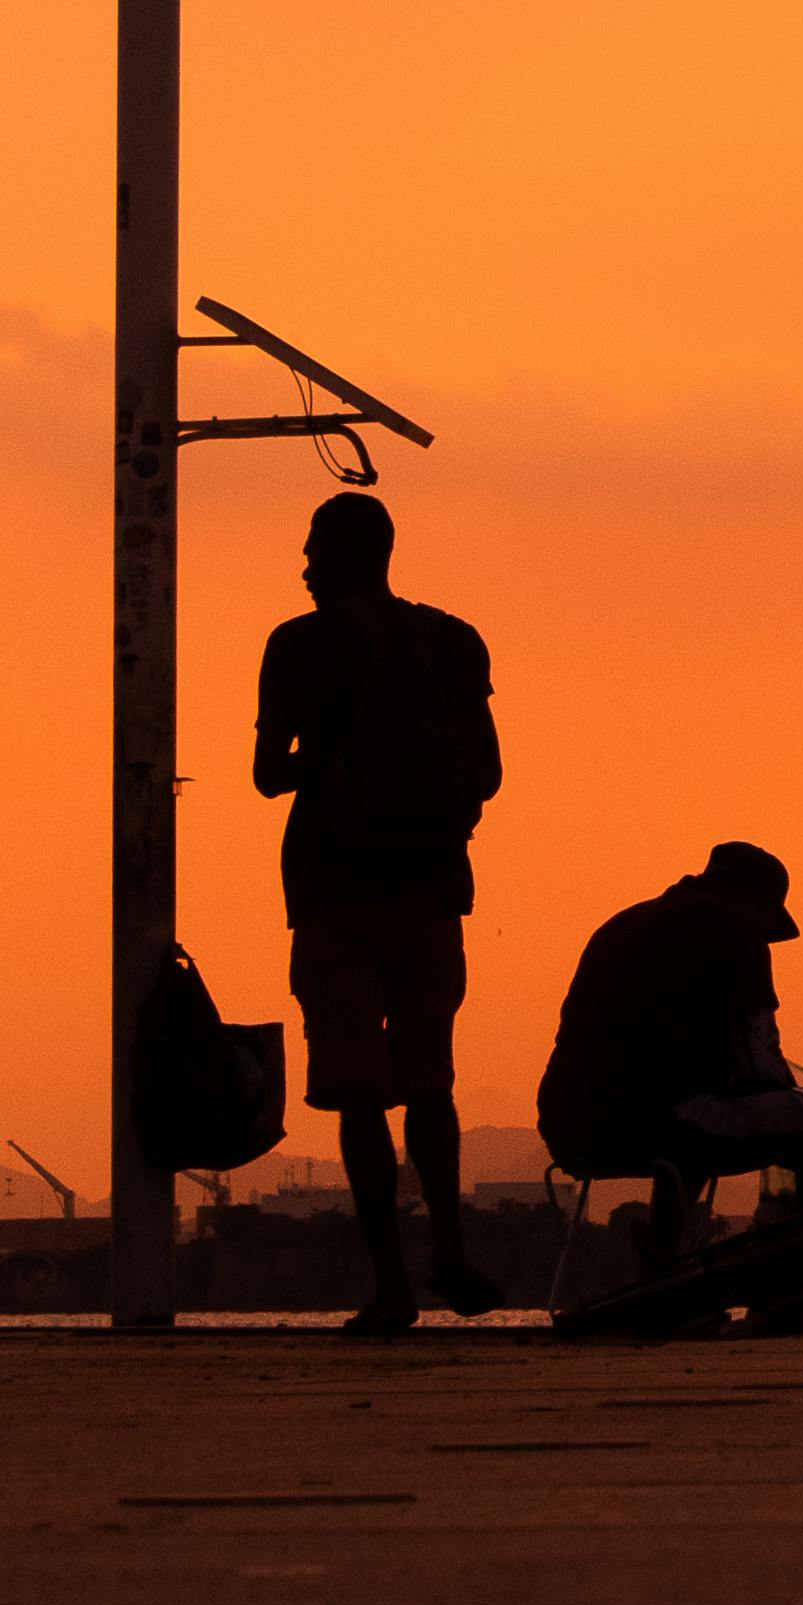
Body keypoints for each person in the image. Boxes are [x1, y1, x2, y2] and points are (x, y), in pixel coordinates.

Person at [252, 488, 504, 1336]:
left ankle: (392, 1286)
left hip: (334, 891)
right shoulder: (451, 641)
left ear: (339, 554)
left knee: (359, 1093)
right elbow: (490, 774)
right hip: (432, 889)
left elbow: (265, 774)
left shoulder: (299, 645)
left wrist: (326, 761)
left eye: (312, 552)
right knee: (430, 1080)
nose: (304, 568)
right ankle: (455, 1246)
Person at [538, 843, 803, 1274]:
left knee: (706, 1112)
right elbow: (760, 1056)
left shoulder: (623, 923)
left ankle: (662, 1251)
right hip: (654, 1124)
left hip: (570, 1125)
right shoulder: (735, 926)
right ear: (756, 901)